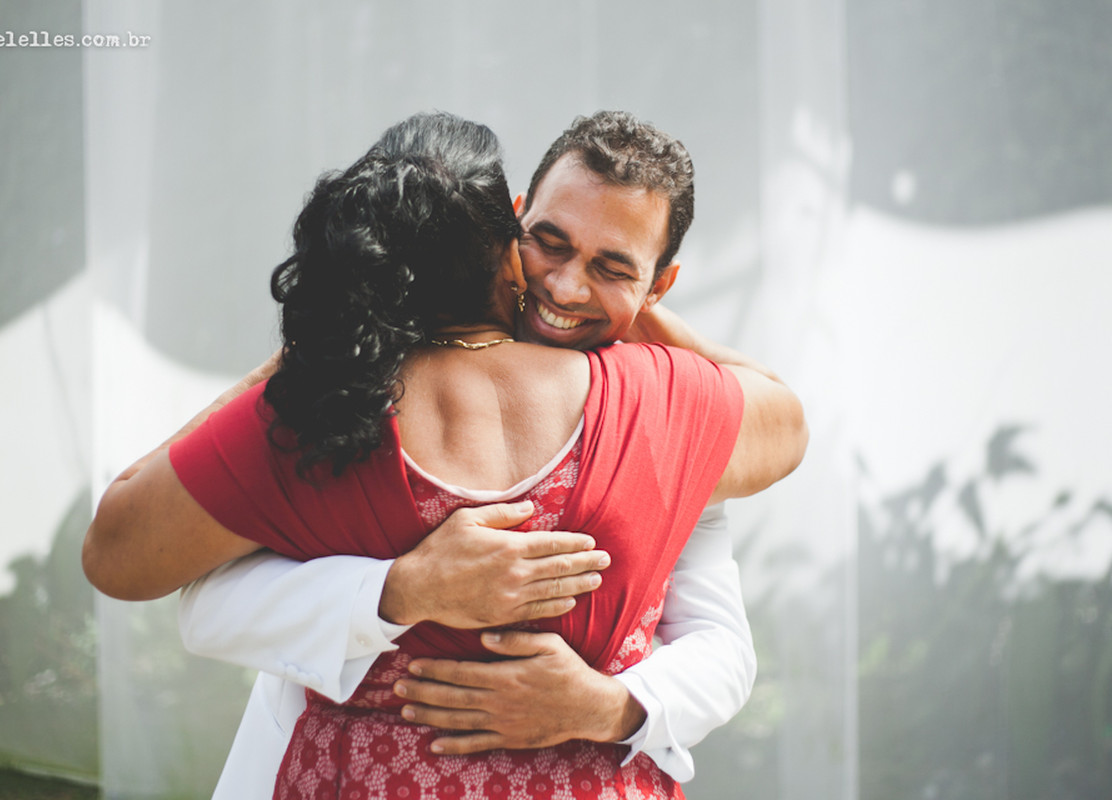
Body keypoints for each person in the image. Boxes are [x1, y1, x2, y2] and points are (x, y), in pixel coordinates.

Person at [83, 111, 806, 799]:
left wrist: (610, 705)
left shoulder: (329, 407)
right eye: (549, 243)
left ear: (659, 285)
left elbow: (720, 644)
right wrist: (399, 589)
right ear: (511, 232)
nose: (564, 287)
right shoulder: (669, 400)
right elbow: (207, 604)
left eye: (613, 268)